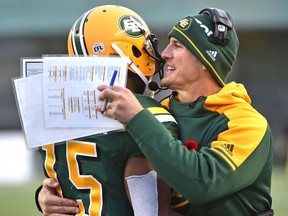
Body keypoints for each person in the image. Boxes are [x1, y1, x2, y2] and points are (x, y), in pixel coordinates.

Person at [98, 8, 274, 216]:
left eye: (178, 46)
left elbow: (201, 183)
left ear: (206, 61)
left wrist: (138, 118)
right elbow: (104, 176)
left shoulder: (248, 124)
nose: (164, 54)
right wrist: (53, 195)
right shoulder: (156, 112)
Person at [35, 5, 181, 216]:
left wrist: (41, 195)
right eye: (146, 48)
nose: (155, 56)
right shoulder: (145, 113)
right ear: (127, 52)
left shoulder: (55, 109)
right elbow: (151, 212)